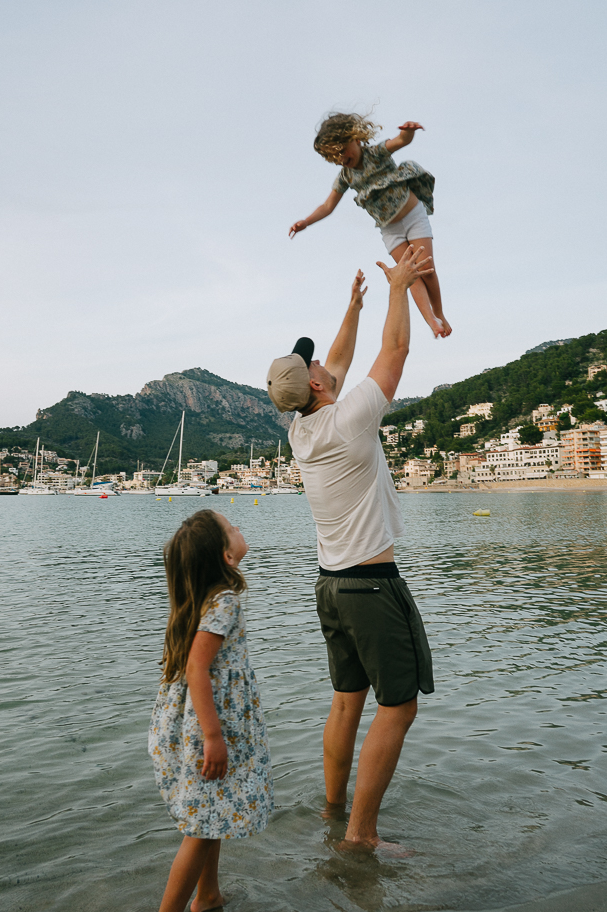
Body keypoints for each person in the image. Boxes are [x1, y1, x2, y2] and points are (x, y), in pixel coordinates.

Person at [266, 249, 435, 854]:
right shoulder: (348, 421)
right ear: (314, 385)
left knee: (346, 704)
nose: (325, 366)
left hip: (330, 586)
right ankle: (360, 837)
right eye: (314, 368)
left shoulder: (301, 427)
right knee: (400, 707)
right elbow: (395, 355)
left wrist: (352, 306)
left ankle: (334, 811)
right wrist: (398, 288)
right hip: (370, 584)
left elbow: (334, 361)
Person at [149, 509, 273, 912]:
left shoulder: (201, 599)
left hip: (194, 721)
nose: (240, 529)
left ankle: (208, 896)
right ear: (226, 555)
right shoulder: (223, 601)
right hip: (210, 726)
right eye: (232, 528)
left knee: (210, 814)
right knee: (200, 828)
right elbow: (197, 668)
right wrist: (214, 738)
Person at [289, 111, 451, 339]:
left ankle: (439, 312)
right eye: (335, 157)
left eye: (343, 151)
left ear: (355, 138)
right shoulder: (345, 176)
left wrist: (408, 132)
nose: (342, 159)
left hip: (413, 214)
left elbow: (400, 142)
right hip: (390, 229)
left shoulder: (376, 153)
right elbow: (328, 206)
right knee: (409, 275)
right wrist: (306, 221)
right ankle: (431, 321)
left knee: (426, 269)